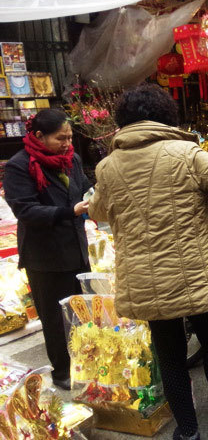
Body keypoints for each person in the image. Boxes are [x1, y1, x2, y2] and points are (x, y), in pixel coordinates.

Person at [89, 84, 208, 440]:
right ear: (165, 115)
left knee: (169, 354)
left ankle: (187, 432)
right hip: (194, 271)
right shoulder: (185, 152)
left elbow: (100, 210)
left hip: (145, 279)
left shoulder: (107, 167)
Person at [3, 109, 91, 391]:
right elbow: (26, 210)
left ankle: (86, 362)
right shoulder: (19, 165)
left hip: (76, 248)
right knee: (55, 319)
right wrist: (69, 211)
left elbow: (86, 188)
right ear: (39, 136)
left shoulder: (72, 160)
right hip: (45, 256)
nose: (67, 143)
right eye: (60, 138)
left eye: (70, 137)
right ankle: (62, 370)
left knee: (81, 313)